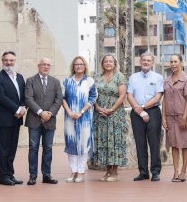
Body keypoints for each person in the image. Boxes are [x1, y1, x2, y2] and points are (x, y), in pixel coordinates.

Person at [25, 57, 63, 185]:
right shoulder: (30, 80)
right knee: (33, 148)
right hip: (34, 119)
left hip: (50, 120)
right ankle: (33, 176)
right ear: (39, 66)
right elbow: (28, 99)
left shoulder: (55, 82)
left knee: (48, 148)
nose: (46, 67)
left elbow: (59, 99)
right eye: (44, 65)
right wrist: (41, 112)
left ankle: (46, 175)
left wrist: (50, 113)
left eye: (48, 65)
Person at [127, 52, 164, 182]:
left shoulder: (158, 77)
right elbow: (129, 95)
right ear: (140, 61)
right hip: (136, 113)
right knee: (140, 143)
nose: (146, 62)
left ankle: (155, 172)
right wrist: (138, 110)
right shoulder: (133, 77)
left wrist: (142, 107)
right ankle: (143, 172)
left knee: (154, 143)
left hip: (153, 111)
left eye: (149, 60)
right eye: (144, 60)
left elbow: (158, 97)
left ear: (152, 63)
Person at [0, 51, 26, 186]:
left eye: (11, 60)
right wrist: (17, 109)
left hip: (17, 119)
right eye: (6, 60)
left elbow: (23, 95)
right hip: (4, 119)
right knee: (3, 149)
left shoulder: (20, 77)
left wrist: (23, 108)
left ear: (15, 61)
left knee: (12, 148)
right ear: (2, 61)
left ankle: (10, 174)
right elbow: (1, 97)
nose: (9, 63)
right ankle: (3, 176)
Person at [92, 54, 128, 182]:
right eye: (106, 61)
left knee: (115, 141)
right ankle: (107, 171)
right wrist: (97, 107)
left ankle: (115, 172)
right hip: (100, 114)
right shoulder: (96, 77)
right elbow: (92, 94)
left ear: (114, 63)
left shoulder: (120, 76)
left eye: (110, 61)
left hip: (115, 115)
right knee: (104, 142)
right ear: (102, 63)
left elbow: (122, 95)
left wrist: (111, 110)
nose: (108, 63)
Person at [61, 56, 97, 183]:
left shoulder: (90, 81)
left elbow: (92, 98)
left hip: (85, 118)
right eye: (76, 64)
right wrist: (70, 112)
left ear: (85, 66)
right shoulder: (66, 81)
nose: (79, 66)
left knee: (83, 144)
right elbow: (62, 98)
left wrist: (81, 112)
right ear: (73, 66)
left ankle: (81, 172)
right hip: (69, 118)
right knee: (71, 144)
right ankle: (73, 171)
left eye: (81, 64)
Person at [161, 54, 187, 182]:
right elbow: (164, 100)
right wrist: (163, 117)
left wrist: (184, 117)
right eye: (171, 62)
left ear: (181, 62)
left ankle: (184, 171)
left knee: (185, 144)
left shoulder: (186, 80)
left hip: (182, 116)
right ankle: (175, 171)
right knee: (173, 144)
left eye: (176, 61)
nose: (173, 64)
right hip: (170, 117)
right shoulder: (167, 80)